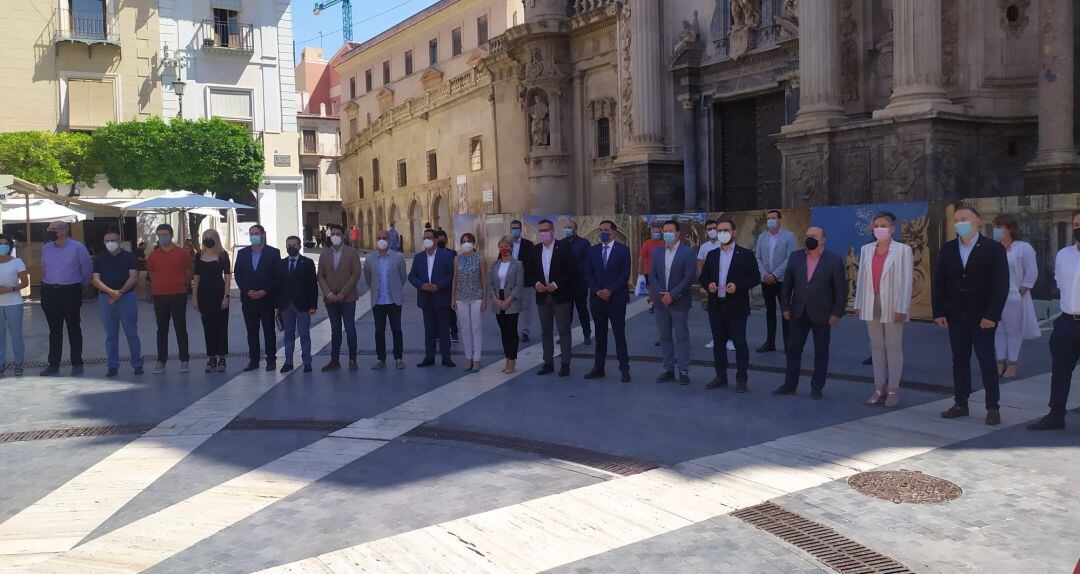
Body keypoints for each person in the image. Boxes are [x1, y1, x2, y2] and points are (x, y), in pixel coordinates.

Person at [932, 206, 1009, 425]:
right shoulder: (948, 249)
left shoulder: (993, 249)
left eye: (964, 219)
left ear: (977, 221)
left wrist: (991, 314)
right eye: (956, 220)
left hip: (983, 317)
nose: (959, 223)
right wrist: (939, 311)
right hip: (956, 316)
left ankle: (993, 407)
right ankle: (960, 403)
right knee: (959, 360)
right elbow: (940, 284)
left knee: (986, 361)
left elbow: (1001, 285)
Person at [775, 226, 847, 399]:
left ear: (823, 240)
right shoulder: (795, 257)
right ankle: (790, 384)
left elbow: (841, 291)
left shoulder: (834, 260)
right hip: (798, 312)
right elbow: (787, 286)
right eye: (807, 235)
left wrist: (836, 313)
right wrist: (785, 307)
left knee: (821, 351)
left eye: (814, 236)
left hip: (823, 314)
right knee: (792, 349)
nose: (810, 238)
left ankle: (817, 387)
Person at [853, 213, 913, 408]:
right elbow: (861, 278)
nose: (879, 228)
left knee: (893, 346)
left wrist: (902, 307)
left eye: (883, 225)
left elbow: (906, 281)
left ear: (892, 229)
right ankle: (879, 388)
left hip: (893, 303)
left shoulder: (903, 250)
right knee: (876, 347)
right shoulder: (866, 249)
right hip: (871, 301)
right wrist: (858, 303)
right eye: (876, 225)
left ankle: (893, 390)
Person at [1028, 209, 1080, 431]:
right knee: (1060, 370)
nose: (1078, 228)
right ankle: (1055, 414)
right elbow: (1059, 281)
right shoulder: (1064, 255)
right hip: (1067, 320)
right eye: (1076, 224)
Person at [701, 218, 760, 392]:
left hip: (737, 306)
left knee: (740, 343)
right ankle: (721, 377)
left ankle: (741, 379)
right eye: (719, 231)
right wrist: (708, 285)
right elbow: (703, 276)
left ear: (734, 232)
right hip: (716, 306)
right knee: (718, 343)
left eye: (725, 230)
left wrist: (739, 286)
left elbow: (755, 277)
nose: (722, 234)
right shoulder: (712, 255)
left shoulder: (746, 254)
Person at [39, 220, 93, 376]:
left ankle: (77, 363)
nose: (51, 231)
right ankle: (53, 364)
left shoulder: (78, 247)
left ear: (64, 231)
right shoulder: (45, 249)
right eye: (50, 229)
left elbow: (87, 270)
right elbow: (44, 269)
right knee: (54, 330)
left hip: (71, 291)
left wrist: (79, 287)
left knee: (73, 328)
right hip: (50, 292)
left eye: (54, 229)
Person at [648, 220, 697, 385]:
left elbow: (689, 277)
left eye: (670, 231)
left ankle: (683, 370)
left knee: (682, 336)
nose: (666, 234)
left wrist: (673, 294)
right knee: (664, 336)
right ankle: (668, 368)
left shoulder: (687, 252)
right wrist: (661, 293)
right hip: (660, 301)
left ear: (677, 234)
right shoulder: (658, 252)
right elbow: (652, 275)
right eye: (665, 231)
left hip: (679, 302)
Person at [991, 214, 1040, 379]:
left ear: (1009, 229)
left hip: (1014, 296)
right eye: (995, 227)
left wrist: (1022, 290)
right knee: (997, 329)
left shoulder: (1023, 248)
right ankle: (1000, 361)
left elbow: (1032, 271)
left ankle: (1012, 363)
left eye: (1000, 227)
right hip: (996, 296)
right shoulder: (993, 247)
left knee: (1013, 330)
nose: (996, 231)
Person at [583, 220, 632, 383]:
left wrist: (609, 290)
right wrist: (597, 291)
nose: (603, 232)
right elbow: (588, 273)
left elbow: (624, 274)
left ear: (614, 232)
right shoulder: (593, 250)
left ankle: (624, 369)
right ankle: (599, 367)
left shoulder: (623, 250)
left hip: (616, 298)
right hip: (597, 298)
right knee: (600, 333)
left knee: (619, 333)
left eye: (606, 230)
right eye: (601, 229)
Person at [530, 218, 578, 377]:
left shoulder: (563, 248)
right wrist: (536, 283)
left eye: (545, 230)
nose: (542, 234)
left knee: (564, 330)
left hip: (561, 296)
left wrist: (557, 284)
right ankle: (548, 362)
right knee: (546, 331)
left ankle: (565, 363)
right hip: (543, 297)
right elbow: (530, 273)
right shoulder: (535, 250)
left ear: (552, 231)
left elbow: (571, 271)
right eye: (540, 231)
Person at [91, 231, 143, 377]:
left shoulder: (130, 256)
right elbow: (95, 279)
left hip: (127, 298)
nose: (110, 243)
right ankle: (113, 365)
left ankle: (137, 363)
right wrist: (111, 292)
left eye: (112, 240)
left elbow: (133, 277)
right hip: (106, 299)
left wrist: (119, 293)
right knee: (111, 335)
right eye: (106, 241)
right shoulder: (100, 259)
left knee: (131, 333)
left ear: (119, 241)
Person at [146, 224, 192, 374]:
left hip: (178, 294)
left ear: (171, 235)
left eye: (165, 234)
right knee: (161, 330)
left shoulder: (182, 253)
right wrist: (157, 286)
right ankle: (161, 360)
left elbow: (188, 272)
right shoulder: (153, 255)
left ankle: (184, 359)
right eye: (159, 235)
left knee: (181, 328)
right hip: (160, 296)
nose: (162, 237)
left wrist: (183, 286)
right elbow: (151, 274)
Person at [235, 224, 281, 372]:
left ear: (262, 235)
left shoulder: (273, 253)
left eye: (256, 233)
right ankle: (253, 360)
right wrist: (246, 290)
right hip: (248, 299)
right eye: (251, 233)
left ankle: (271, 360)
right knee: (252, 331)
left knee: (269, 330)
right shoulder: (242, 253)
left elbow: (277, 276)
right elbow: (238, 275)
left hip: (266, 299)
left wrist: (265, 291)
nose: (253, 236)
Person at [317, 224, 362, 371]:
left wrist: (343, 293)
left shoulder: (352, 253)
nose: (335, 236)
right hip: (330, 299)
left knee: (350, 329)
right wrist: (328, 293)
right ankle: (334, 360)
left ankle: (352, 360)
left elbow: (355, 274)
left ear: (343, 236)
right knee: (335, 330)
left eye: (338, 234)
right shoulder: (324, 254)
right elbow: (321, 276)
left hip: (347, 298)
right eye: (333, 234)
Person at [409, 228, 456, 367]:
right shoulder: (418, 257)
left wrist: (438, 286)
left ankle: (446, 357)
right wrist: (422, 285)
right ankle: (429, 357)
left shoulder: (446, 255)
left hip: (441, 297)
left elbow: (451, 275)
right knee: (429, 329)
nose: (427, 240)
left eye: (429, 238)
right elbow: (412, 276)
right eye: (424, 238)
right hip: (425, 298)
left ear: (436, 240)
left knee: (443, 329)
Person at [755, 209, 797, 352]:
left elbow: (789, 258)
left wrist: (774, 275)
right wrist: (765, 274)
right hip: (766, 280)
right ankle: (770, 342)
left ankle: (788, 344)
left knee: (786, 311)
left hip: (782, 280)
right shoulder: (762, 237)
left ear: (779, 220)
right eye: (769, 218)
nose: (770, 220)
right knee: (770, 311)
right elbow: (758, 257)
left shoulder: (789, 237)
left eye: (773, 218)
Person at [364, 230, 407, 370]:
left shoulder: (398, 257)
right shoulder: (370, 259)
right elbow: (368, 278)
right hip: (378, 301)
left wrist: (396, 289)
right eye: (379, 238)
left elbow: (403, 277)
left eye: (384, 238)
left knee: (397, 329)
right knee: (379, 331)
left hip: (394, 300)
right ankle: (380, 358)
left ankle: (399, 358)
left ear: (389, 240)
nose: (382, 240)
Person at [278, 236, 319, 373]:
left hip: (303, 305)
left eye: (294, 245)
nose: (291, 247)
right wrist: (278, 305)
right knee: (288, 334)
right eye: (288, 245)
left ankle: (307, 362)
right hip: (286, 306)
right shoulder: (281, 263)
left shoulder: (307, 263)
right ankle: (288, 362)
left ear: (300, 246)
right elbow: (277, 286)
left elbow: (313, 285)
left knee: (304, 334)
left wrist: (313, 305)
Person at [192, 229, 231, 373]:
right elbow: (196, 277)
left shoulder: (223, 254)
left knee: (221, 326)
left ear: (216, 238)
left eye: (210, 237)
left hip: (220, 294)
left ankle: (222, 356)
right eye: (205, 237)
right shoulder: (199, 255)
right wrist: (194, 297)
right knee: (208, 327)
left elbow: (227, 278)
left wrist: (226, 296)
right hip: (204, 296)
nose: (208, 239)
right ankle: (211, 356)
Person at [452, 233, 488, 373]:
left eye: (468, 241)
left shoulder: (480, 258)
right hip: (461, 297)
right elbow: (455, 278)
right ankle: (468, 357)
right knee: (465, 329)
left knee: (476, 328)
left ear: (473, 243)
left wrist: (485, 299)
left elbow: (484, 279)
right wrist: (453, 297)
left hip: (476, 296)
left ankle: (477, 359)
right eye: (463, 241)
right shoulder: (457, 258)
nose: (466, 243)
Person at [489, 235, 524, 374]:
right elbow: (490, 283)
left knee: (511, 331)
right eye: (501, 246)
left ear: (511, 248)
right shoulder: (494, 264)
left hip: (511, 300)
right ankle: (507, 357)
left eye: (507, 246)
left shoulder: (517, 264)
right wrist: (495, 299)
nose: (504, 249)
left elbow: (519, 284)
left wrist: (508, 300)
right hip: (498, 299)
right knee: (503, 331)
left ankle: (512, 360)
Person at [0, 235, 29, 377]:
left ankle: (18, 363)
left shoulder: (17, 262)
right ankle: (1, 363)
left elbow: (25, 282)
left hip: (14, 303)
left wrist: (10, 289)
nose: (1, 246)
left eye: (4, 244)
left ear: (10, 247)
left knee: (16, 335)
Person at [562, 220, 593, 345]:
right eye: (565, 227)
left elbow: (588, 260)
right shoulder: (561, 243)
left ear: (575, 229)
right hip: (565, 283)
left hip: (580, 282)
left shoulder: (583, 243)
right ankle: (565, 336)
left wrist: (578, 269)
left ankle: (587, 335)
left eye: (569, 227)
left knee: (582, 309)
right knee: (565, 312)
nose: (567, 229)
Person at [510, 219, 536, 342]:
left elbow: (531, 262)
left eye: (516, 228)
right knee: (512, 307)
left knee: (526, 307)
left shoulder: (528, 244)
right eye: (512, 228)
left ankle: (525, 331)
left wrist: (519, 271)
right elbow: (501, 260)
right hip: (510, 283)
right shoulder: (506, 244)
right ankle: (512, 330)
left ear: (520, 230)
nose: (514, 230)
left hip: (525, 281)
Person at [639, 224, 666, 316]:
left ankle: (658, 302)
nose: (657, 234)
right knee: (651, 289)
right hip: (649, 270)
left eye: (658, 232)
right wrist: (640, 271)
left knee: (660, 288)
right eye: (655, 232)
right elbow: (641, 257)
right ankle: (652, 305)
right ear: (651, 232)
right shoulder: (647, 244)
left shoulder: (664, 243)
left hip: (661, 271)